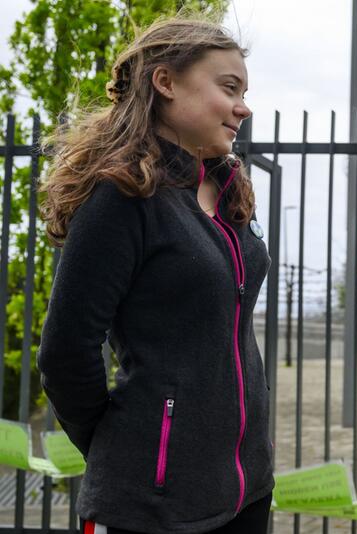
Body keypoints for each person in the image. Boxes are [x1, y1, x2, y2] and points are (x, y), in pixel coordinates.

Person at [37, 18, 273, 534]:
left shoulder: (228, 191)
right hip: (151, 505)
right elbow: (65, 352)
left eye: (245, 92)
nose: (244, 107)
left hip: (247, 489)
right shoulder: (122, 197)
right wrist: (129, 442)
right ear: (165, 83)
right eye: (228, 87)